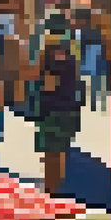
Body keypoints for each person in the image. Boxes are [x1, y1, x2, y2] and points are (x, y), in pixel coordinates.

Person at [34, 31, 83, 195]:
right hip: (69, 112)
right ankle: (57, 191)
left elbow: (49, 85)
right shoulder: (71, 56)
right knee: (61, 153)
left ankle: (49, 192)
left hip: (51, 112)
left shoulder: (49, 57)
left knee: (50, 155)